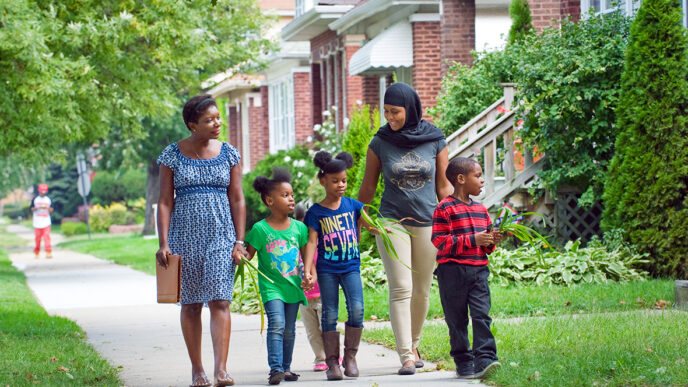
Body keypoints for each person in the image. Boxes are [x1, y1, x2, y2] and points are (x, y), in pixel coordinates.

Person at [357, 82, 453, 375]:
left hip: (428, 221)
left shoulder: (435, 139)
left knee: (422, 290)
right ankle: (406, 356)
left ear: (410, 109)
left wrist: (455, 214)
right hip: (391, 221)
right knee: (401, 287)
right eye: (386, 111)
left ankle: (413, 343)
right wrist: (359, 215)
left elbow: (443, 185)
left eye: (395, 112)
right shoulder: (381, 141)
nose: (390, 117)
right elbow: (369, 185)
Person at [156, 94, 248, 387]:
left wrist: (239, 240)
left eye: (218, 117)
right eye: (209, 120)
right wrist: (164, 242)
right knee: (192, 304)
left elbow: (237, 198)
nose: (217, 123)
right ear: (192, 124)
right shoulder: (172, 154)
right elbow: (164, 201)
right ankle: (198, 370)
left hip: (221, 235)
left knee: (220, 299)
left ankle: (221, 370)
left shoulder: (230, 153)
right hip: (184, 236)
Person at [431, 157, 503, 379]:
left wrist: (492, 240)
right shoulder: (445, 208)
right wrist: (474, 239)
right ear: (461, 179)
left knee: (482, 315)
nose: (482, 181)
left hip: (479, 271)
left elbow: (485, 246)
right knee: (457, 319)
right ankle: (463, 361)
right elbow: (439, 241)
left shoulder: (482, 210)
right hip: (452, 272)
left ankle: (486, 359)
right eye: (478, 176)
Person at [302, 151, 365, 381]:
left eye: (344, 180)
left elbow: (369, 223)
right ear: (323, 181)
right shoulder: (315, 212)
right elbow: (311, 242)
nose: (341, 185)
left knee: (357, 309)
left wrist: (380, 228)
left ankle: (350, 358)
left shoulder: (353, 205)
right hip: (328, 269)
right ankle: (332, 363)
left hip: (351, 267)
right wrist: (309, 270)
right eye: (335, 181)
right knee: (329, 314)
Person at [245, 168, 309, 385]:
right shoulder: (260, 229)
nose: (291, 199)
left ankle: (286, 368)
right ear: (269, 200)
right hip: (271, 287)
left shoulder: (299, 228)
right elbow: (248, 255)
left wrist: (310, 273)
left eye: (292, 195)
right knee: (277, 324)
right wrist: (238, 255)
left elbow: (307, 253)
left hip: (293, 286)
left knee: (289, 330)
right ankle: (275, 369)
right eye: (285, 195)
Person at [294, 203, 328, 372]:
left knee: (326, 327)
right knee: (312, 331)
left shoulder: (320, 245)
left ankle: (332, 355)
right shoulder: (294, 247)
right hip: (304, 297)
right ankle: (320, 358)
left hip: (322, 294)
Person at [31, 183, 53, 259]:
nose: (43, 194)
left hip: (46, 221)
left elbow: (51, 209)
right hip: (37, 221)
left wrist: (47, 208)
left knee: (47, 237)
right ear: (39, 191)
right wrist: (36, 208)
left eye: (44, 192)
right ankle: (37, 252)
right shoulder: (35, 199)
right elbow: (31, 209)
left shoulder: (48, 200)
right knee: (38, 238)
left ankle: (48, 252)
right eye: (41, 192)